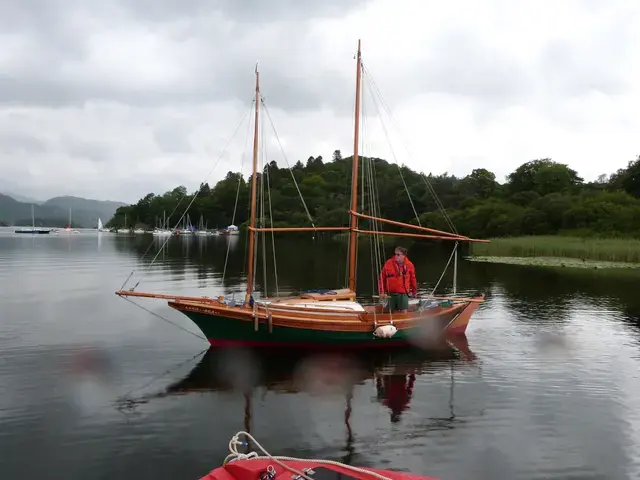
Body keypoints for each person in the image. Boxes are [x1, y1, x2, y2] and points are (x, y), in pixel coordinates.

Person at [378, 246, 417, 313]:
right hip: (390, 294)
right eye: (395, 254)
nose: (396, 256)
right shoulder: (388, 263)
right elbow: (382, 278)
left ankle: (404, 322)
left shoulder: (409, 265)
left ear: (404, 255)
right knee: (391, 312)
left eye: (398, 255)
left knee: (403, 311)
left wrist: (414, 292)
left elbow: (413, 279)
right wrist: (381, 291)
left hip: (403, 294)